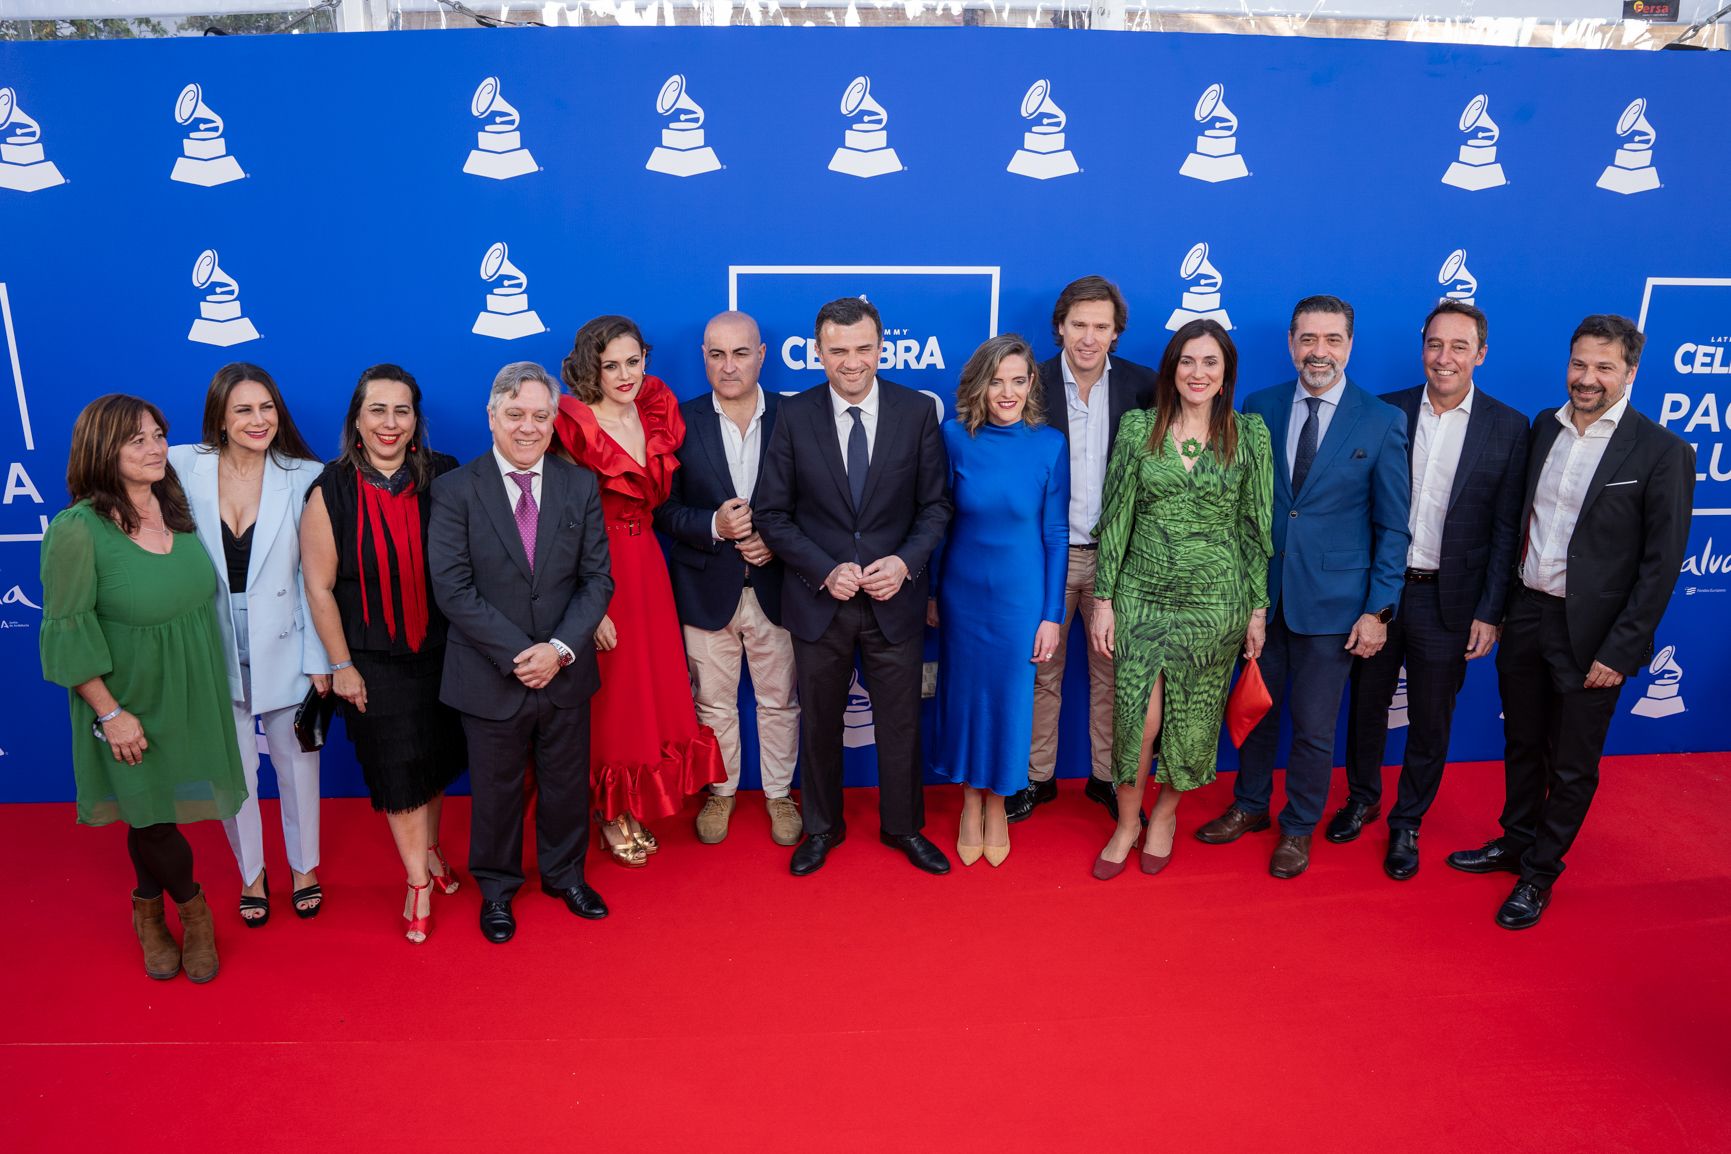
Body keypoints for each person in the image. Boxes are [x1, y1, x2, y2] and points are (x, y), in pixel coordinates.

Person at [1448, 315, 1693, 929]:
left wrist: (1624, 648)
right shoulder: (1543, 428)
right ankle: (1515, 839)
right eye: (1579, 364)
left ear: (1630, 373)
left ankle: (1540, 873)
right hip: (1528, 613)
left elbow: (1660, 566)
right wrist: (1499, 611)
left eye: (1604, 367)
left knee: (1573, 763)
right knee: (1523, 741)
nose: (1587, 378)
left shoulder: (1663, 451)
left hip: (1595, 635)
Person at [1196, 295, 1411, 879]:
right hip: (1263, 599)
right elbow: (1244, 508)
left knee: (1314, 729)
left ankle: (1297, 829)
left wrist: (1379, 611)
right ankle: (1249, 806)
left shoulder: (1382, 419)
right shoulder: (1258, 408)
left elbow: (1393, 526)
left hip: (1336, 608)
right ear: (1292, 344)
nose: (1319, 352)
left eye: (1332, 340)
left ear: (1349, 345)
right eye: (1308, 340)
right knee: (1256, 713)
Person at [39, 394, 245, 982]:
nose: (156, 449)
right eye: (137, 440)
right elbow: (66, 633)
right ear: (104, 450)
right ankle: (193, 912)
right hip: (126, 702)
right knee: (152, 820)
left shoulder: (175, 505)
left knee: (149, 812)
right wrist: (110, 714)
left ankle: (146, 911)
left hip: (188, 689)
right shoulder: (76, 530)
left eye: (158, 435)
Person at [756, 296, 954, 876]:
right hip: (821, 602)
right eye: (837, 351)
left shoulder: (916, 411)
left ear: (880, 348)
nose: (851, 362)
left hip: (896, 600)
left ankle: (903, 827)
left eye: (863, 348)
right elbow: (772, 514)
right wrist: (823, 569)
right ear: (818, 352)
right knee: (818, 722)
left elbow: (935, 507)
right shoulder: (793, 416)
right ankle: (821, 828)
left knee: (900, 722)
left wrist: (905, 564)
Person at [1338, 302, 1529, 880]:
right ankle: (1362, 797)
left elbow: (1505, 530)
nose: (1444, 358)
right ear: (1423, 346)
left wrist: (1490, 612)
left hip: (1451, 600)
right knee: (1367, 706)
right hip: (1383, 593)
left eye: (1459, 347)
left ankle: (1408, 822)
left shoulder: (1509, 426)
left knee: (1430, 718)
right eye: (1435, 345)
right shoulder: (1385, 411)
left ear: (1481, 354)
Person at [430, 361, 614, 944]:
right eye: (515, 415)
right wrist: (523, 654)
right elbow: (452, 588)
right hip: (490, 673)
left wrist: (558, 650)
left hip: (564, 669)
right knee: (496, 791)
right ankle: (498, 890)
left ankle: (565, 876)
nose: (528, 427)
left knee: (565, 784)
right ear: (492, 416)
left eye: (540, 415)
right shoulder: (456, 489)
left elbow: (597, 581)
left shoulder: (579, 484)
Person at [1087, 321, 1273, 878]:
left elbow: (1255, 528)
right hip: (1141, 596)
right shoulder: (1139, 428)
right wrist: (1104, 599)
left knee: (1193, 723)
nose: (1198, 373)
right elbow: (1117, 517)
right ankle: (1127, 822)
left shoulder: (1251, 435)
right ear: (1172, 368)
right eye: (1188, 361)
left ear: (1225, 374)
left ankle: (1164, 816)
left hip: (1216, 605)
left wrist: (1257, 608)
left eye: (1210, 363)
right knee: (1136, 723)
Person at [302, 365, 467, 944]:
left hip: (446, 650)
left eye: (402, 411)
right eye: (378, 410)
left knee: (436, 761)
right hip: (372, 659)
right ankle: (418, 880)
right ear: (357, 419)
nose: (390, 423)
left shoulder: (444, 475)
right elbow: (319, 587)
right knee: (398, 772)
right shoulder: (330, 489)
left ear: (415, 419)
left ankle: (435, 852)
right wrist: (341, 664)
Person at [552, 317, 727, 864]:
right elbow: (561, 521)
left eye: (634, 361)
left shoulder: (655, 410)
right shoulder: (573, 424)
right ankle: (610, 812)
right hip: (600, 571)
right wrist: (587, 603)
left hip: (649, 564)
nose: (625, 375)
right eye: (611, 366)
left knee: (650, 687)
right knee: (615, 696)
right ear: (591, 368)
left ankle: (633, 803)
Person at [169, 363, 330, 926]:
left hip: (286, 637)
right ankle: (251, 875)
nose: (258, 420)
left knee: (297, 764)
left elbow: (318, 580)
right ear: (219, 415)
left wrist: (320, 660)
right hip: (211, 640)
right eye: (243, 409)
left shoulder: (307, 475)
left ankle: (304, 868)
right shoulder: (181, 465)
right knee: (231, 770)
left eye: (267, 408)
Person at [653, 310, 802, 847]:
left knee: (779, 700)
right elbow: (661, 509)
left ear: (762, 355)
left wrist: (779, 541)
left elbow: (819, 503)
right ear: (703, 357)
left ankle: (780, 793)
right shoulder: (678, 421)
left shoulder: (797, 416)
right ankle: (720, 792)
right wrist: (711, 525)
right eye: (717, 354)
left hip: (778, 588)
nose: (729, 365)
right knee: (713, 704)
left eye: (741, 353)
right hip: (704, 588)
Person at [1013, 275, 1157, 826]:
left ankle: (1106, 777)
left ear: (1116, 332)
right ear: (1059, 328)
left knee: (1113, 673)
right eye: (1079, 325)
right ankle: (1036, 779)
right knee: (1042, 670)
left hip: (1117, 559)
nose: (1089, 338)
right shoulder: (1031, 385)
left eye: (1101, 326)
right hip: (1045, 556)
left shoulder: (1145, 387)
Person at [928, 334, 1068, 867]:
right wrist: (935, 593)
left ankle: (998, 805)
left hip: (1021, 597)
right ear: (979, 385)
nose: (1006, 392)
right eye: (996, 381)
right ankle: (969, 803)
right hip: (963, 593)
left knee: (1011, 701)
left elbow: (1055, 534)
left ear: (1031, 383)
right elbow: (938, 525)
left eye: (1017, 380)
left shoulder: (1049, 444)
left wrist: (1052, 615)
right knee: (964, 697)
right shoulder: (952, 439)